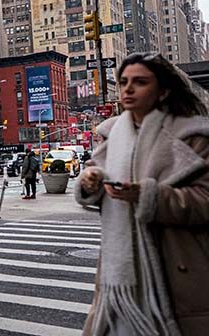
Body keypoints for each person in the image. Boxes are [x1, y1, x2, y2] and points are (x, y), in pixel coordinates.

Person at [75, 52, 209, 336]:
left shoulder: (194, 138)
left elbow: (205, 201)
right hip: (119, 275)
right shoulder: (112, 135)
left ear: (163, 91)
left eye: (140, 82)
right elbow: (94, 175)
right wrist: (90, 183)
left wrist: (149, 196)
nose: (128, 89)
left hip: (176, 267)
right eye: (123, 82)